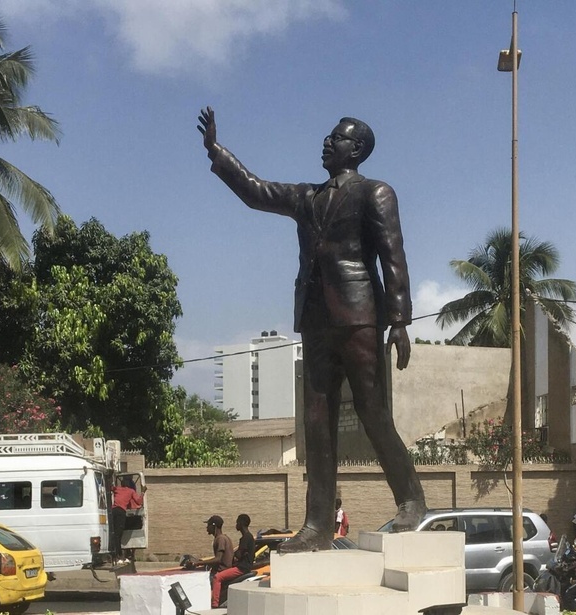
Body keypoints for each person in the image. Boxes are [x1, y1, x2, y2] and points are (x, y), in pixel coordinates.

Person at [197, 107, 426, 552]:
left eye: (335, 138)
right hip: (316, 322)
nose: (326, 142)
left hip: (360, 317)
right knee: (317, 424)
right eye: (327, 136)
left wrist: (398, 321)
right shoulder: (309, 197)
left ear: (356, 149)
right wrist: (216, 151)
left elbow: (392, 256)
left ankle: (412, 500)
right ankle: (317, 524)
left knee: (373, 413)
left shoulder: (375, 193)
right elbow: (257, 191)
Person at [211, 513, 255, 608]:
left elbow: (239, 555)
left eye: (237, 522)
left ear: (241, 523)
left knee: (217, 577)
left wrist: (235, 554)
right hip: (243, 567)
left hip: (242, 568)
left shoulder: (246, 538)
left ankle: (214, 605)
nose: (236, 524)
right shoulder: (248, 537)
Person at [110, 479, 146, 564]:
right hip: (121, 512)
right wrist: (143, 492)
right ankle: (118, 556)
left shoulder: (117, 489)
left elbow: (110, 488)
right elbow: (139, 501)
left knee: (113, 534)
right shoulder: (131, 491)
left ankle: (115, 555)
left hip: (113, 511)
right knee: (118, 535)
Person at [188, 515, 235, 580]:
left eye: (208, 525)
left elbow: (218, 559)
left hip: (221, 572)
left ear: (214, 526)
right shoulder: (224, 537)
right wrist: (202, 561)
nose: (207, 527)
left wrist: (198, 563)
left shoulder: (220, 539)